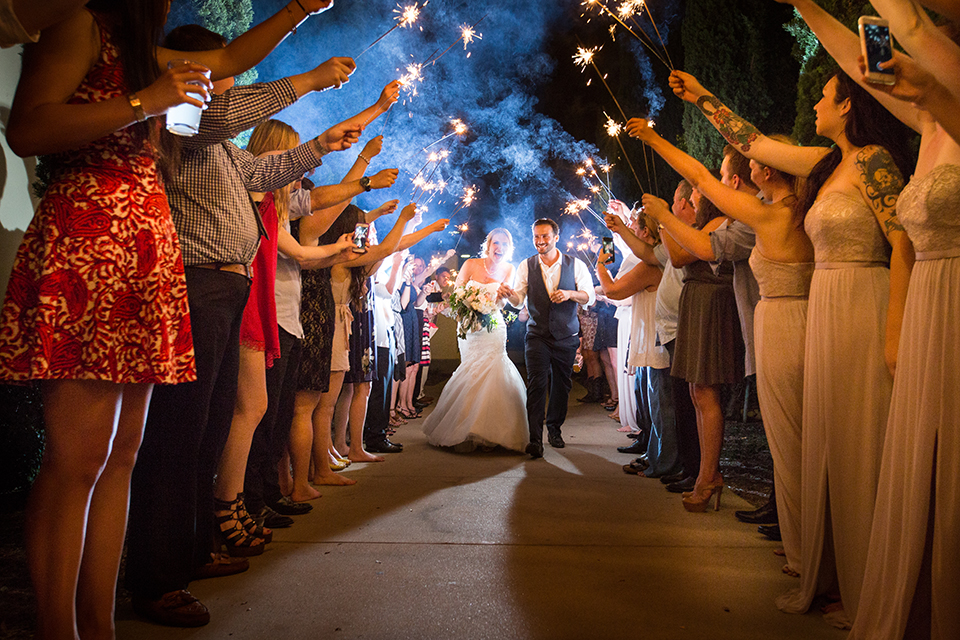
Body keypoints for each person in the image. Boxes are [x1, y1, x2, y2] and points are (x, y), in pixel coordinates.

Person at [0, 0, 332, 634]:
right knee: (78, 462)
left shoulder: (151, 53)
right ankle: (59, 627)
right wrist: (143, 101)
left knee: (122, 456)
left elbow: (234, 60)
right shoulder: (82, 21)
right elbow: (28, 129)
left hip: (147, 250)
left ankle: (98, 622)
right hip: (93, 239)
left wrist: (297, 10)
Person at [123, 17, 368, 627]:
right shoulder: (189, 119)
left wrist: (322, 146)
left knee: (204, 430)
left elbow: (262, 174)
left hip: (224, 291)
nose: (231, 83)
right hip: (200, 284)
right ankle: (157, 575)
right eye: (225, 71)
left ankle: (194, 547)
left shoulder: (223, 142)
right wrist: (311, 79)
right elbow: (230, 118)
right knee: (182, 432)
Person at [671, 64, 914, 625]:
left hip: (862, 301)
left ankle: (870, 587)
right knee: (829, 446)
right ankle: (837, 576)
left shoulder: (873, 160)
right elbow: (750, 140)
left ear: (848, 105)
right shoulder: (829, 166)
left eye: (824, 98)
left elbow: (901, 240)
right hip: (825, 305)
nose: (813, 108)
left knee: (859, 443)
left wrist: (898, 325)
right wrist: (704, 95)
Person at [776, 0, 960, 634]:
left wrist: (892, 328)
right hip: (913, 298)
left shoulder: (922, 129)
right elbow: (871, 54)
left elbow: (899, 242)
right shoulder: (927, 121)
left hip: (928, 301)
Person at [627, 118, 813, 576]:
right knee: (764, 417)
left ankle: (723, 484)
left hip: (772, 316)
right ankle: (790, 522)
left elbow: (695, 249)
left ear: (763, 172)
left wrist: (666, 211)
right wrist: (653, 140)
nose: (743, 169)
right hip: (754, 315)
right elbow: (700, 185)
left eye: (748, 164)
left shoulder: (754, 215)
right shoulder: (747, 212)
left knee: (784, 422)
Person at [422, 228, 529, 452]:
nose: (499, 248)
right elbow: (457, 294)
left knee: (494, 370)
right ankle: (464, 428)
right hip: (469, 328)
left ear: (509, 248)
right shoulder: (471, 264)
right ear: (488, 245)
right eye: (495, 243)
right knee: (472, 370)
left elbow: (513, 301)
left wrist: (504, 296)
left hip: (493, 328)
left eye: (504, 244)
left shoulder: (510, 269)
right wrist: (471, 301)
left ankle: (491, 431)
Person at [505, 218, 596, 458]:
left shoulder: (574, 265)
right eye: (536, 236)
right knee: (537, 384)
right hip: (537, 335)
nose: (540, 241)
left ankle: (554, 428)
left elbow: (590, 296)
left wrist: (569, 294)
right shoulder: (527, 265)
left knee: (562, 385)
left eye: (545, 236)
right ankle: (535, 439)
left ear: (556, 237)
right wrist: (508, 296)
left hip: (566, 335)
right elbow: (518, 301)